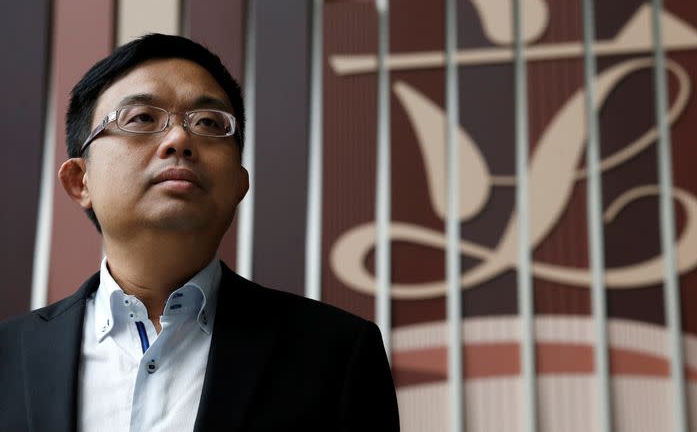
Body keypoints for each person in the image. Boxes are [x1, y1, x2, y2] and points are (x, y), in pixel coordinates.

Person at [0, 34, 400, 431]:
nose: (179, 140)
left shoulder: (335, 353)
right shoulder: (8, 356)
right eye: (142, 118)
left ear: (239, 184)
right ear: (79, 180)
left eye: (209, 123)